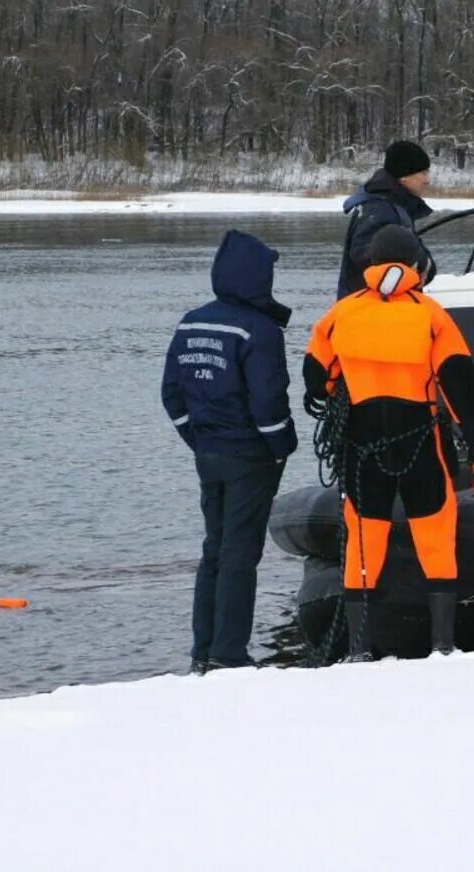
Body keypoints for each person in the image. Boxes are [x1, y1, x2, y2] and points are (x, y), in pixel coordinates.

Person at [303, 224, 474, 659]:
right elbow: (459, 383)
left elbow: (315, 379)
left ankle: (359, 649)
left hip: (363, 443)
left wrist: (338, 387)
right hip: (419, 439)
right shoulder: (431, 313)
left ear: (371, 262)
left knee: (365, 538)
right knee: (436, 534)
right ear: (413, 262)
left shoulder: (341, 314)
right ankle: (442, 645)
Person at [161, 230, 298, 673]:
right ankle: (230, 654)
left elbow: (172, 394)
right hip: (249, 456)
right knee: (241, 553)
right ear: (256, 276)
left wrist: (197, 439)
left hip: (209, 454)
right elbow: (268, 401)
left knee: (214, 549)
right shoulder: (258, 329)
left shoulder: (191, 321)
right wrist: (281, 447)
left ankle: (204, 650)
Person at [337, 140, 438, 299]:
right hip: (374, 311)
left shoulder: (393, 206)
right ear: (404, 176)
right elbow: (369, 257)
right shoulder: (380, 209)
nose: (428, 180)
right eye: (423, 173)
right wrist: (421, 264)